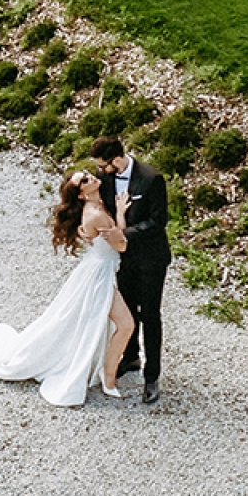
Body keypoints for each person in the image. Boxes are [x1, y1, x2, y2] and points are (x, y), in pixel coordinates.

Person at [0, 172, 137, 407]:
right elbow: (121, 245)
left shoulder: (98, 204)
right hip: (98, 275)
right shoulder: (95, 214)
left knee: (99, 323)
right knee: (124, 324)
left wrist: (118, 214)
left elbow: (117, 240)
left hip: (99, 268)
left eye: (87, 176)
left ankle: (107, 373)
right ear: (81, 193)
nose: (90, 178)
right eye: (84, 181)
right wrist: (121, 218)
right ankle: (108, 377)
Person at [91, 135, 170, 404]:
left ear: (116, 159)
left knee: (150, 315)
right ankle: (131, 356)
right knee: (126, 310)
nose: (100, 171)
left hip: (151, 258)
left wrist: (124, 235)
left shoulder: (151, 178)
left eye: (103, 165)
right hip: (122, 260)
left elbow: (158, 221)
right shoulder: (105, 178)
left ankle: (152, 376)